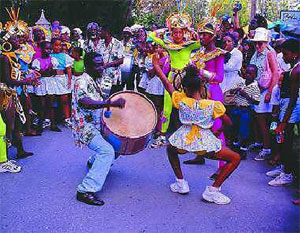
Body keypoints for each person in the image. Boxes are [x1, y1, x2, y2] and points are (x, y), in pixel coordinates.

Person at [153, 58, 240, 205]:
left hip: (183, 140)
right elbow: (229, 123)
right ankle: (213, 190)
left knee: (171, 149)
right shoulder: (212, 105)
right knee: (235, 158)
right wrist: (219, 132)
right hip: (205, 143)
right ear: (201, 88)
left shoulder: (181, 100)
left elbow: (166, 83)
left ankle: (181, 183)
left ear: (185, 89)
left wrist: (156, 65)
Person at [72, 52, 125, 206]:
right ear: (87, 66)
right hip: (85, 127)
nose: (101, 67)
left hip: (98, 123)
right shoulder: (81, 81)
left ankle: (94, 162)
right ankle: (85, 190)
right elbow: (85, 102)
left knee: (118, 145)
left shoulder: (94, 79)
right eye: (97, 65)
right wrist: (111, 104)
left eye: (102, 63)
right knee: (107, 151)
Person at [149, 12, 199, 145]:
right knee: (167, 107)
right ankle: (162, 135)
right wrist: (167, 28)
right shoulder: (168, 45)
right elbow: (151, 35)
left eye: (180, 32)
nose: (177, 35)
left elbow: (200, 42)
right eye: (174, 32)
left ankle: (189, 136)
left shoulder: (189, 45)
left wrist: (190, 29)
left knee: (186, 106)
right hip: (171, 77)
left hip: (185, 79)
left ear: (184, 33)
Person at [187, 23, 225, 169]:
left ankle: (222, 164)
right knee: (198, 125)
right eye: (200, 33)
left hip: (213, 92)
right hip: (199, 92)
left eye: (204, 34)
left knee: (217, 127)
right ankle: (200, 155)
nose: (201, 37)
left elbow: (220, 77)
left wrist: (200, 72)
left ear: (212, 36)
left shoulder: (219, 54)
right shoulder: (199, 53)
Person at [266, 39, 299, 186]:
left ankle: (287, 174)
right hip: (289, 107)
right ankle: (284, 168)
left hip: (293, 109)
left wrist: (284, 121)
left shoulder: (296, 71)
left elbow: (293, 98)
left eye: (286, 54)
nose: (283, 57)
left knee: (287, 141)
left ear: (295, 54)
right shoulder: (293, 68)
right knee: (283, 140)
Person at [249, 27, 279, 161]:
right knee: (257, 118)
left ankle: (267, 148)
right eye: (255, 43)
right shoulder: (256, 53)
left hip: (266, 91)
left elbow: (275, 73)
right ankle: (262, 144)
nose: (257, 45)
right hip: (257, 89)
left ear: (266, 42)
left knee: (263, 120)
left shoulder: (269, 53)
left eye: (260, 43)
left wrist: (269, 93)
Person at [228, 64, 260, 159]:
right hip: (236, 108)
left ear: (255, 75)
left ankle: (243, 149)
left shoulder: (255, 87)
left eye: (250, 73)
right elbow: (230, 92)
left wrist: (245, 95)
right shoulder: (240, 82)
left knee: (244, 130)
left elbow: (256, 101)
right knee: (234, 127)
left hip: (246, 110)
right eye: (247, 72)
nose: (248, 75)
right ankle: (234, 147)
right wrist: (235, 90)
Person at [50, 38, 74, 130]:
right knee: (51, 100)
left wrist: (69, 80)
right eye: (56, 45)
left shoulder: (64, 56)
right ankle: (50, 119)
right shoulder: (49, 55)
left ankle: (67, 118)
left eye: (60, 45)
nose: (58, 47)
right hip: (52, 79)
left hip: (62, 79)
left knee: (64, 99)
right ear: (52, 45)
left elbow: (68, 69)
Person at [99, 25, 124, 96]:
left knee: (113, 98)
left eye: (101, 31)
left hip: (114, 78)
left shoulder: (118, 44)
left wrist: (108, 65)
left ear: (107, 32)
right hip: (102, 76)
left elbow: (121, 60)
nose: (100, 33)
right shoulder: (100, 44)